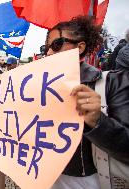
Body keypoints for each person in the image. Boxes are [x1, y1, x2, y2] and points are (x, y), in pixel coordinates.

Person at [44, 16, 129, 189]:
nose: (49, 53)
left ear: (80, 47)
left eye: (57, 44)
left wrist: (98, 121)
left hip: (91, 181)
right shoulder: (38, 86)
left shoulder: (112, 82)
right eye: (46, 48)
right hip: (47, 178)